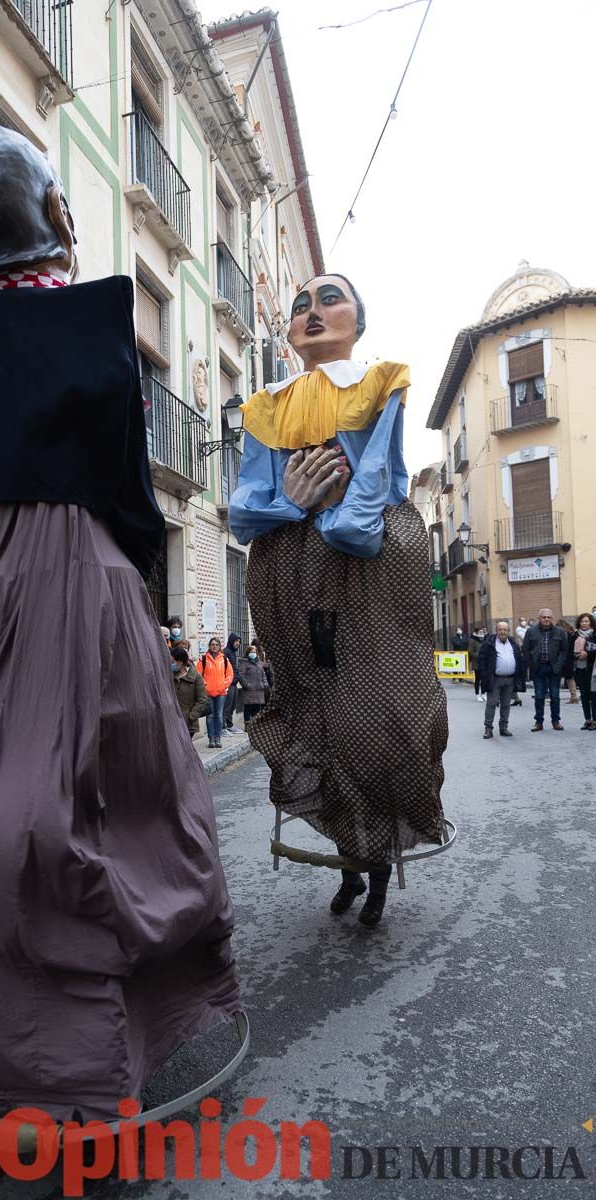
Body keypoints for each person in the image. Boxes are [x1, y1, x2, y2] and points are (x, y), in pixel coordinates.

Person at [0, 125, 240, 1121]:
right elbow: (123, 480)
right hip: (81, 566)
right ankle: (108, 1041)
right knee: (119, 796)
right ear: (56, 217)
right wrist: (139, 565)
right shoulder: (86, 324)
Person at [229, 273, 447, 927]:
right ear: (290, 331)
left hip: (366, 563)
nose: (313, 311)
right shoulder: (267, 407)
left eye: (330, 299)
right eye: (300, 306)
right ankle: (354, 858)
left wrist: (337, 520)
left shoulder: (380, 382)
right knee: (312, 715)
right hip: (291, 572)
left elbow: (376, 474)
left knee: (378, 715)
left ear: (358, 318)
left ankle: (375, 862)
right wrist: (286, 502)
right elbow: (245, 507)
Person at [477, 621, 525, 739]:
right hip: (495, 679)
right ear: (496, 631)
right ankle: (488, 728)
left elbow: (519, 659)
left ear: (508, 631)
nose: (503, 632)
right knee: (491, 704)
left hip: (509, 679)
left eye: (505, 630)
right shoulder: (489, 643)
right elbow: (481, 660)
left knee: (506, 705)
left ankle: (503, 727)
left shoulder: (513, 643)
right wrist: (484, 676)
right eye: (500, 629)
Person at [523, 608, 568, 731]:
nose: (546, 619)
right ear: (539, 618)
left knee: (555, 695)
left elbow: (564, 651)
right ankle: (539, 722)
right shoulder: (531, 631)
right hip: (538, 668)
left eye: (548, 617)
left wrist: (558, 665)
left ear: (552, 618)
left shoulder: (560, 631)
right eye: (544, 617)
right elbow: (525, 650)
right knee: (539, 696)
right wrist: (531, 666)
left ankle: (556, 721)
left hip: (554, 668)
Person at [196, 636, 234, 748]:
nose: (214, 646)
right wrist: (205, 686)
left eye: (216, 645)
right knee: (210, 716)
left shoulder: (225, 659)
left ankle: (218, 738)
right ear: (209, 646)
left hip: (221, 693)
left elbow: (230, 674)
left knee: (219, 715)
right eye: (212, 644)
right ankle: (211, 739)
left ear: (219, 647)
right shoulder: (203, 659)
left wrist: (224, 685)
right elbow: (198, 675)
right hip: (207, 693)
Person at [171, 646, 208, 738]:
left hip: (188, 722)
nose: (171, 664)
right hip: (172, 720)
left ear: (180, 661)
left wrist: (191, 717)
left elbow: (202, 700)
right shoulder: (169, 675)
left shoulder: (196, 676)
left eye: (173, 662)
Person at [572, 613, 596, 730]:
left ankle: (595, 720)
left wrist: (588, 654)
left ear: (591, 622)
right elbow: (569, 651)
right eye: (582, 621)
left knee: (594, 694)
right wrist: (576, 655)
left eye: (586, 621)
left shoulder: (595, 635)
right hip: (580, 668)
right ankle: (587, 719)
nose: (584, 623)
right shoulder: (574, 635)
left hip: (593, 669)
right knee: (584, 694)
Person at [235, 644, 269, 724]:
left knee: (257, 708)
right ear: (248, 653)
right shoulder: (244, 662)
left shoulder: (259, 663)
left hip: (259, 690)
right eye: (251, 651)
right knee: (248, 708)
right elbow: (241, 676)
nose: (253, 653)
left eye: (254, 652)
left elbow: (263, 674)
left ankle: (255, 725)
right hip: (249, 690)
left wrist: (265, 684)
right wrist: (247, 685)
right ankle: (247, 725)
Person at [222, 632, 242, 734]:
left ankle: (230, 725)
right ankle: (223, 727)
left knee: (232, 706)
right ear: (231, 641)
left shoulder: (233, 652)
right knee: (227, 706)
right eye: (236, 641)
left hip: (234, 683)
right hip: (229, 684)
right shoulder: (226, 652)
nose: (238, 643)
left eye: (239, 641)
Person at [557, 618, 579, 705]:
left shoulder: (564, 635)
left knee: (559, 678)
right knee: (570, 679)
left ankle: (555, 697)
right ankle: (574, 697)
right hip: (569, 659)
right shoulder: (572, 634)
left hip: (564, 659)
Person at [469, 626, 487, 702]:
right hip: (477, 663)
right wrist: (479, 655)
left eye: (482, 632)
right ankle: (477, 695)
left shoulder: (485, 640)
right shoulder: (473, 640)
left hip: (484, 663)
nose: (481, 633)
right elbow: (470, 652)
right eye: (480, 632)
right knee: (478, 679)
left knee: (484, 679)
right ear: (476, 633)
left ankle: (483, 694)